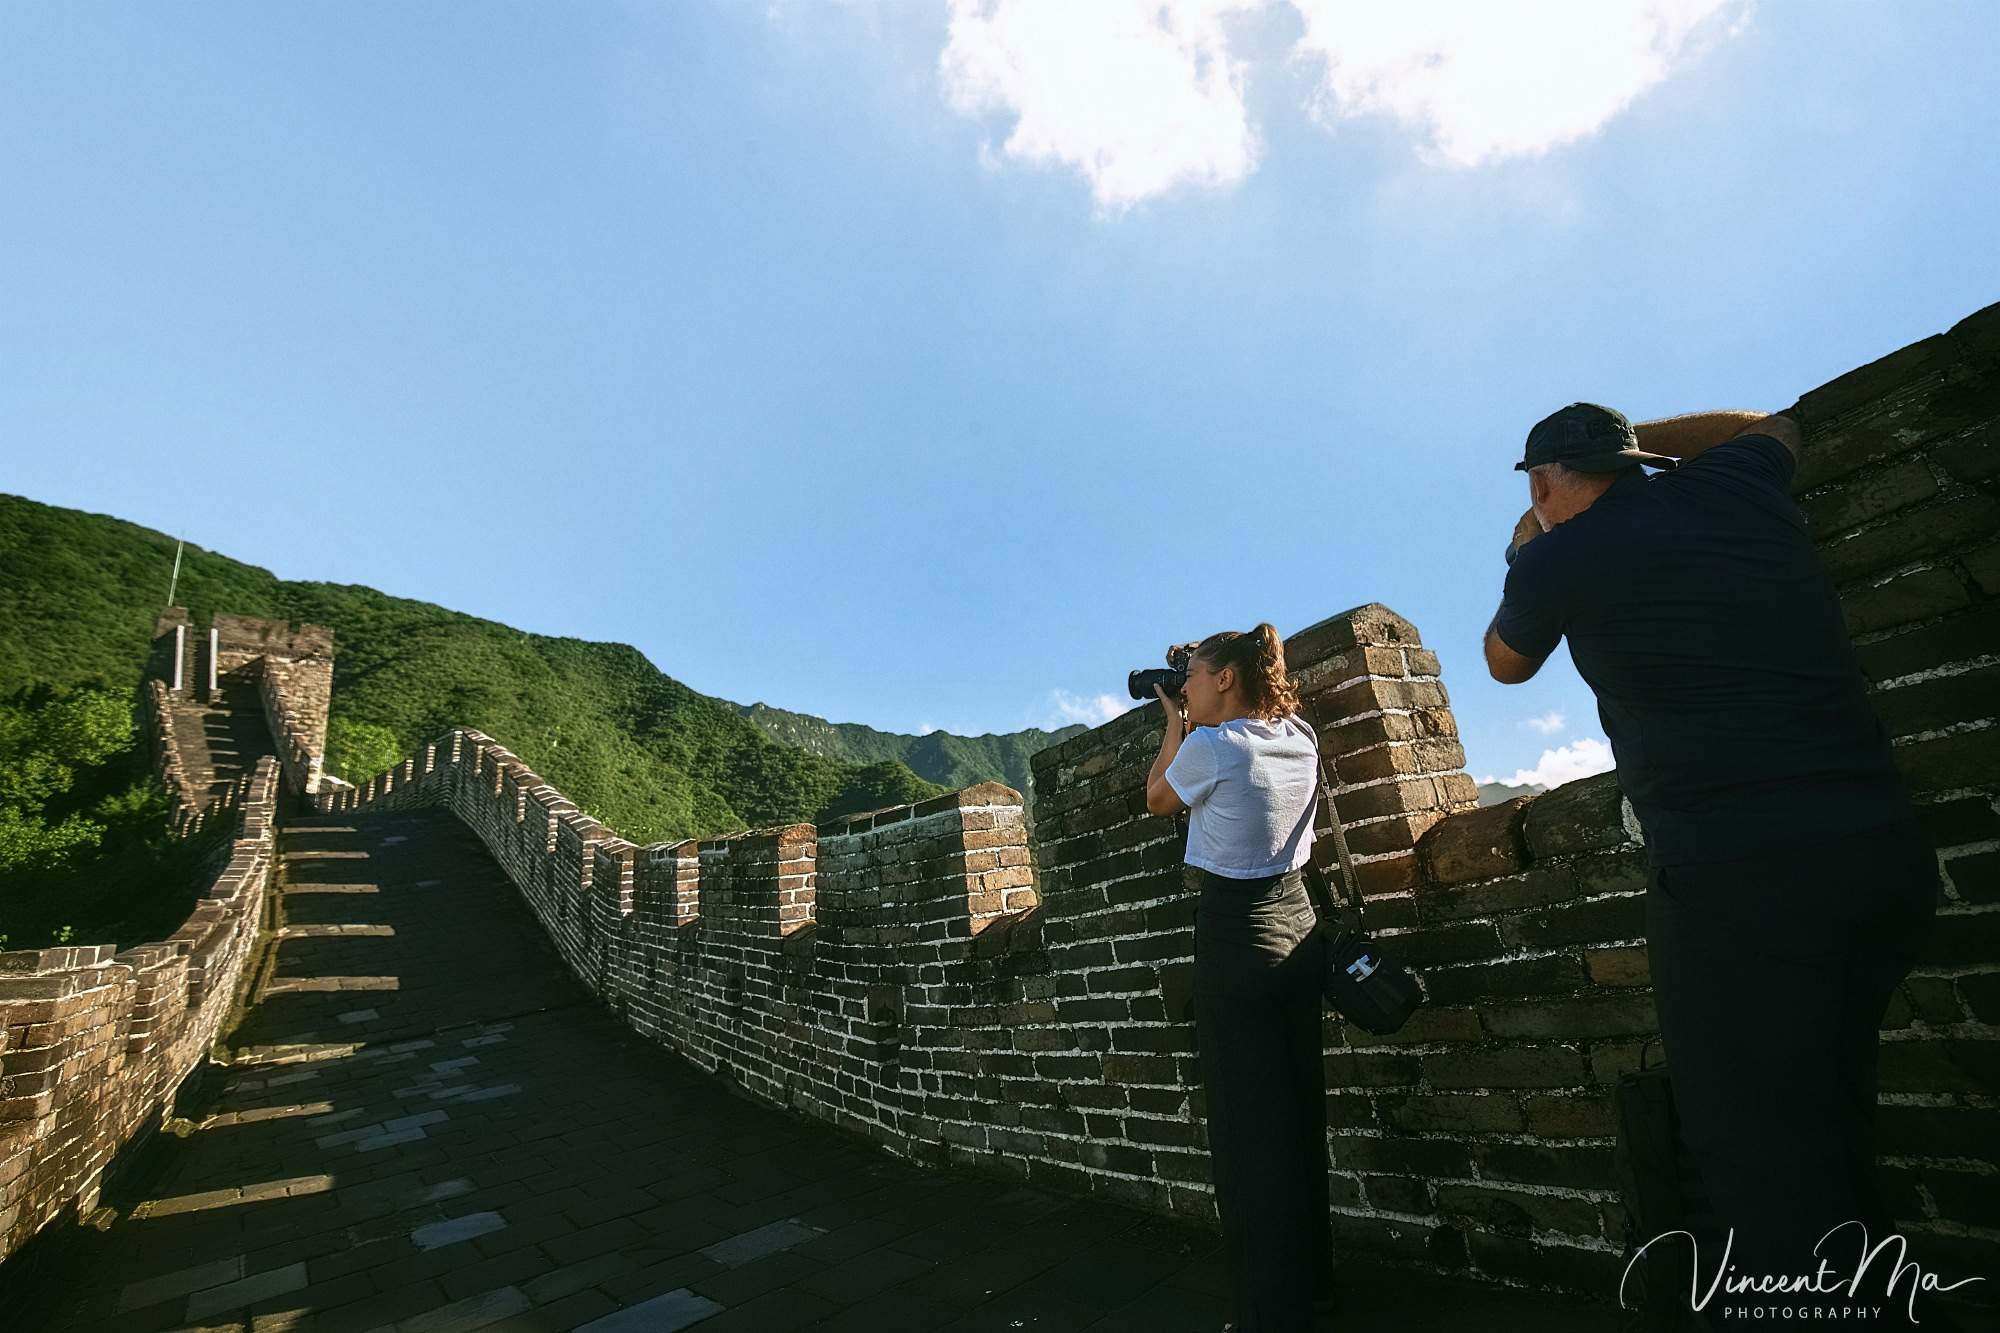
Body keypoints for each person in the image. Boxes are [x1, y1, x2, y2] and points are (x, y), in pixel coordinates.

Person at [1484, 403, 1941, 1329]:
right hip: (1880, 849)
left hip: (1741, 884)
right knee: (1833, 1126)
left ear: (1540, 482)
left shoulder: (1554, 557)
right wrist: (1636, 443)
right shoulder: (1736, 483)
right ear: (1636, 457)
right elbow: (1773, 421)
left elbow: (1503, 664)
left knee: (1764, 1166)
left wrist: (1528, 542)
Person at [1145, 624, 1334, 1333]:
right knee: (1299, 1115)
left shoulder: (1210, 746)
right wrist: (1201, 677)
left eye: (1194, 674)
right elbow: (1260, 689)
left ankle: (1268, 1314)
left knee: (1249, 1135)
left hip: (1237, 938)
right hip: (1300, 928)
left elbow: (1158, 799)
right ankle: (1315, 1287)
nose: (1186, 686)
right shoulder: (1302, 736)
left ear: (1225, 679)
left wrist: (1175, 723)